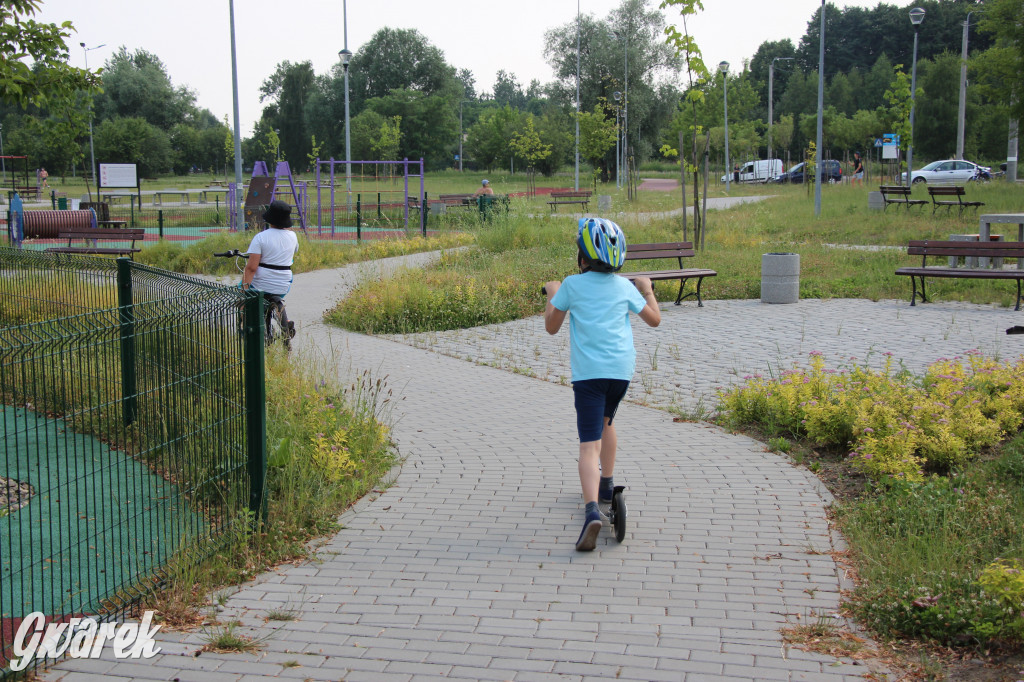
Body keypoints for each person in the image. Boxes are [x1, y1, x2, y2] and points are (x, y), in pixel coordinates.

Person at [543, 218, 661, 552]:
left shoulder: (571, 285)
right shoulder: (625, 287)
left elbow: (552, 326)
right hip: (621, 372)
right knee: (607, 422)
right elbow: (655, 319)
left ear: (582, 258)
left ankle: (592, 510)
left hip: (589, 376)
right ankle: (606, 485)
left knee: (587, 445)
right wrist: (646, 288)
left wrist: (552, 296)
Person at [241, 200, 299, 335]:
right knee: (275, 296)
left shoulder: (260, 237)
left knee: (242, 290)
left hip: (262, 283)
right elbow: (293, 252)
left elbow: (251, 269)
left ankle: (244, 325)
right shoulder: (293, 236)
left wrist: (244, 291)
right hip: (283, 283)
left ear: (270, 218)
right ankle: (285, 321)